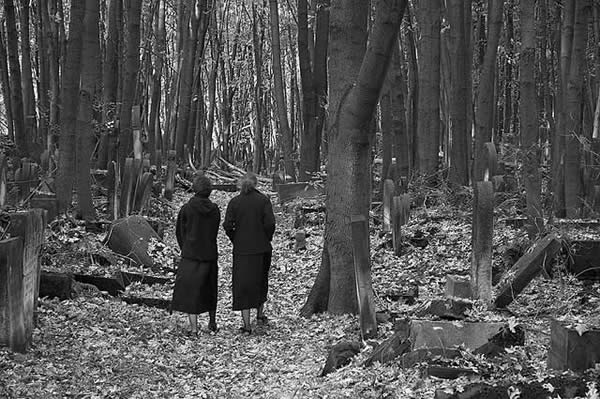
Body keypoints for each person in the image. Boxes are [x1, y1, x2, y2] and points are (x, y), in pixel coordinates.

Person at [223, 172, 276, 334]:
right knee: (261, 280)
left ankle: (246, 324)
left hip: (242, 250)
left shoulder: (235, 202)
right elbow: (270, 224)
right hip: (262, 248)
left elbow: (227, 225)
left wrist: (236, 238)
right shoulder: (263, 201)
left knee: (243, 285)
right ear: (256, 184)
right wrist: (265, 238)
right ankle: (260, 314)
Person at [172, 174, 220, 335]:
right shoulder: (214, 210)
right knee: (210, 289)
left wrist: (185, 247)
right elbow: (214, 230)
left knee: (190, 291)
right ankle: (212, 321)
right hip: (209, 254)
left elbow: (180, 231)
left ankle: (193, 328)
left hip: (191, 255)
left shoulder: (187, 209)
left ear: (194, 189)